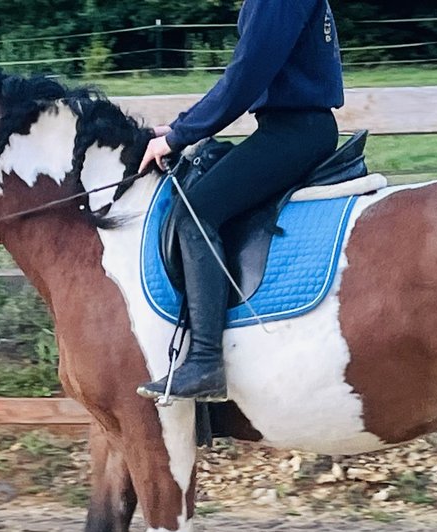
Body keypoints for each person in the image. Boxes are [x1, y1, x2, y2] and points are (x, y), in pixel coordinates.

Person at [136, 0, 345, 402]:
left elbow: (244, 78)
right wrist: (180, 128)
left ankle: (204, 363)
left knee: (196, 214)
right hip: (293, 128)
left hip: (295, 132)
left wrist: (181, 135)